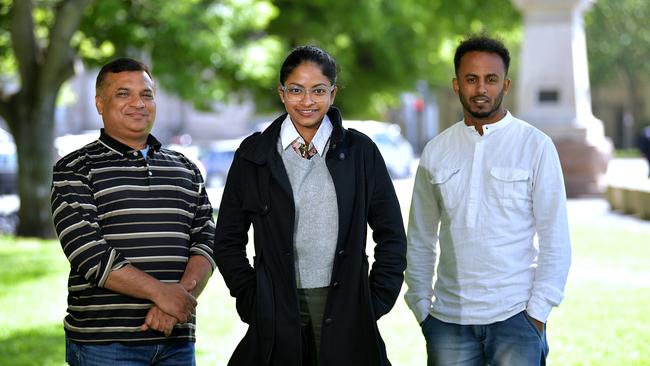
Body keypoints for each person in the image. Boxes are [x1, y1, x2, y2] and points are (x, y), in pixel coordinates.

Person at [213, 45, 407, 365]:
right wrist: (252, 299)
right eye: (296, 90)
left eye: (318, 90)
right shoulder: (254, 155)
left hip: (346, 306)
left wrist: (373, 301)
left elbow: (392, 235)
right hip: (276, 307)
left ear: (333, 93)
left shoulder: (361, 152)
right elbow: (227, 240)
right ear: (281, 93)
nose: (307, 101)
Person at [404, 35, 572, 365]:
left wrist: (537, 314)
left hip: (516, 318)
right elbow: (420, 237)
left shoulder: (535, 146)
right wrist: (423, 308)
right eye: (471, 79)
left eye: (491, 79)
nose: (481, 89)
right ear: (456, 85)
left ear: (505, 84)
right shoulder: (436, 151)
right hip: (449, 323)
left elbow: (556, 239)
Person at [51, 57, 216, 365]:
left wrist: (174, 301)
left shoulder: (186, 168)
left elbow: (206, 241)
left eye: (147, 94)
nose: (138, 103)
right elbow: (89, 253)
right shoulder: (75, 169)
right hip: (106, 345)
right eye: (123, 94)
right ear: (100, 103)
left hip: (176, 341)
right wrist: (161, 294)